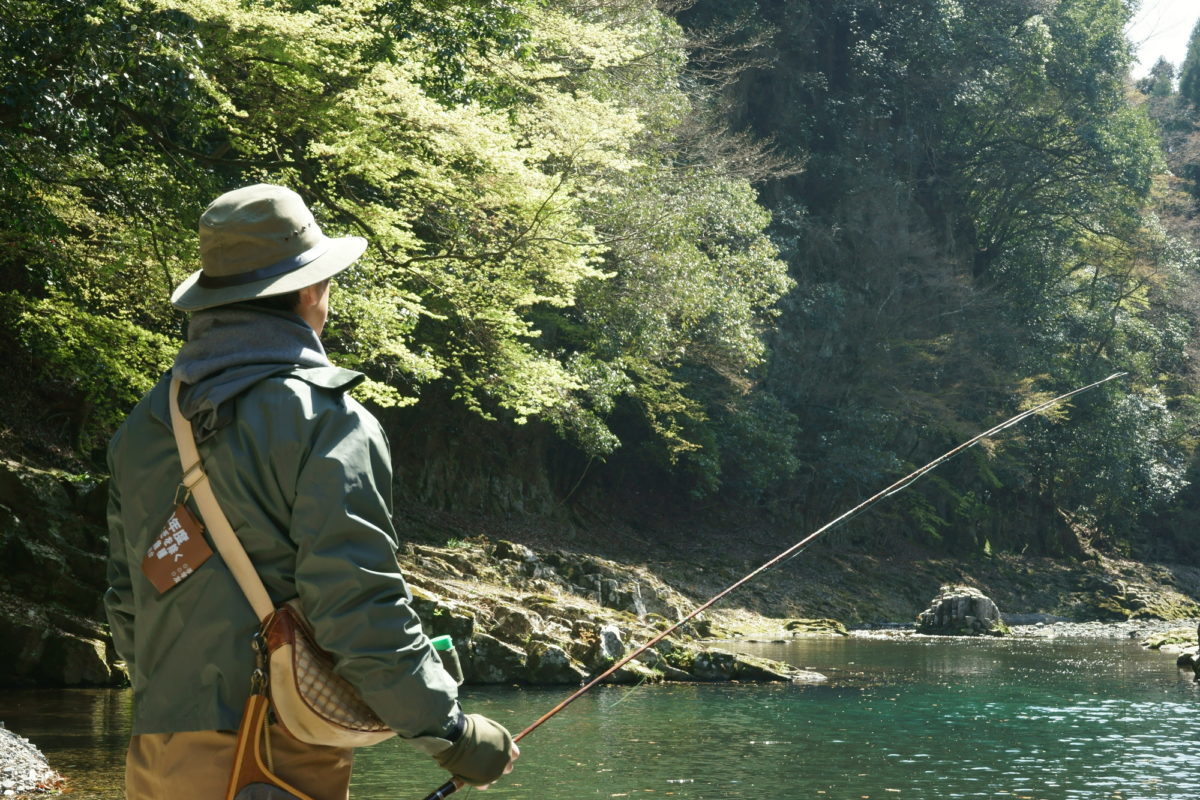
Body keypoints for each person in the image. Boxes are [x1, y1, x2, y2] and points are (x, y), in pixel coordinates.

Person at [104, 184, 518, 799]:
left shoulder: (143, 427)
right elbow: (358, 605)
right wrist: (451, 733)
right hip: (266, 760)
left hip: (157, 760)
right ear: (305, 290)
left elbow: (127, 602)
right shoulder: (328, 419)